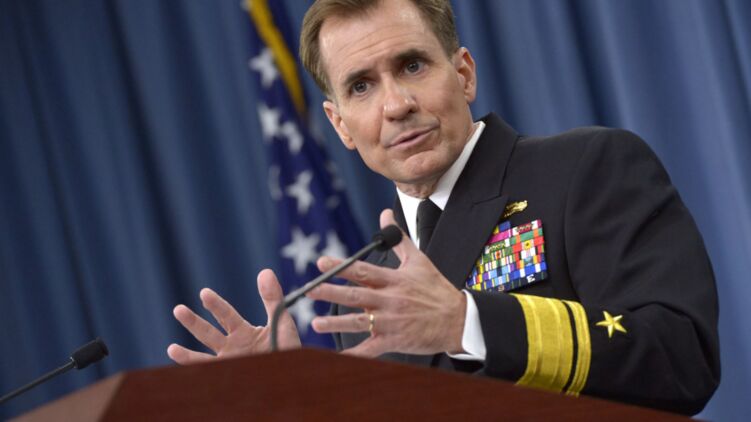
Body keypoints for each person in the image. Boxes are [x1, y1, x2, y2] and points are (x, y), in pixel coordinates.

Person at [167, 0, 720, 415]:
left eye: (411, 66)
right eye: (361, 87)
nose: (396, 105)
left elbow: (681, 357)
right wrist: (298, 399)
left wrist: (466, 323)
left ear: (464, 74)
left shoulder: (583, 169)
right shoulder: (366, 287)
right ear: (340, 127)